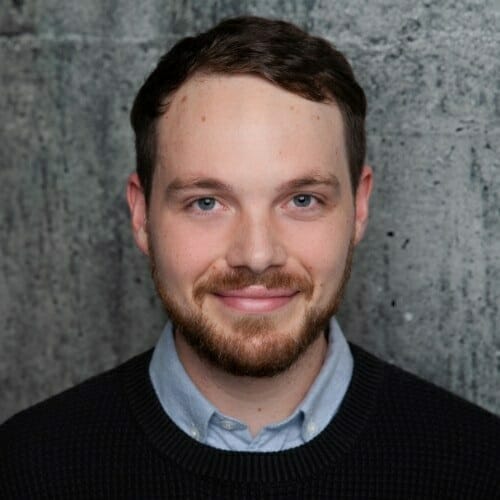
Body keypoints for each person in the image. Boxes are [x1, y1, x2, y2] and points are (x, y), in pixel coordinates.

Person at [1, 16, 499, 499]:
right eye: (206, 202)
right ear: (141, 216)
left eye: (302, 200)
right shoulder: (24, 471)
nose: (257, 255)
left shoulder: (480, 468)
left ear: (360, 206)